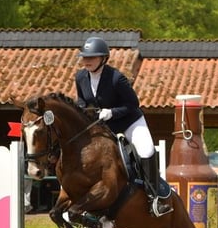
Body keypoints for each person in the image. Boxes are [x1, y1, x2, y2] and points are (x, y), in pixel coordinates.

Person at [74, 36, 172, 217]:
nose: (86, 61)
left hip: (129, 121)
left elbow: (133, 104)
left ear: (103, 59)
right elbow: (81, 101)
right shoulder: (80, 77)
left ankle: (155, 198)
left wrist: (112, 112)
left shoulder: (116, 78)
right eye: (84, 57)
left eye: (91, 57)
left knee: (146, 150)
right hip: (105, 125)